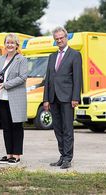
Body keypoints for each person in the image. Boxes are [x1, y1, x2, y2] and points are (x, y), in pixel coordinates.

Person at [43, 27, 82, 169]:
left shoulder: (75, 55)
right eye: (57, 39)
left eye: (61, 38)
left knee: (67, 129)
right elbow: (48, 79)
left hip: (67, 98)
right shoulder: (51, 57)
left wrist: (75, 97)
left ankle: (68, 158)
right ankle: (62, 155)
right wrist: (46, 99)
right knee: (57, 129)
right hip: (53, 98)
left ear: (66, 38)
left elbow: (78, 78)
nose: (59, 40)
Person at [0, 33, 28, 165]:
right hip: (2, 98)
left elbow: (23, 77)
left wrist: (6, 85)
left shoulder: (22, 59)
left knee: (16, 126)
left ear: (16, 45)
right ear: (5, 44)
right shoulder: (1, 59)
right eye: (7, 42)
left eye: (12, 43)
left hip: (16, 98)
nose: (9, 45)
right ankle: (9, 154)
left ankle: (17, 155)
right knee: (6, 127)